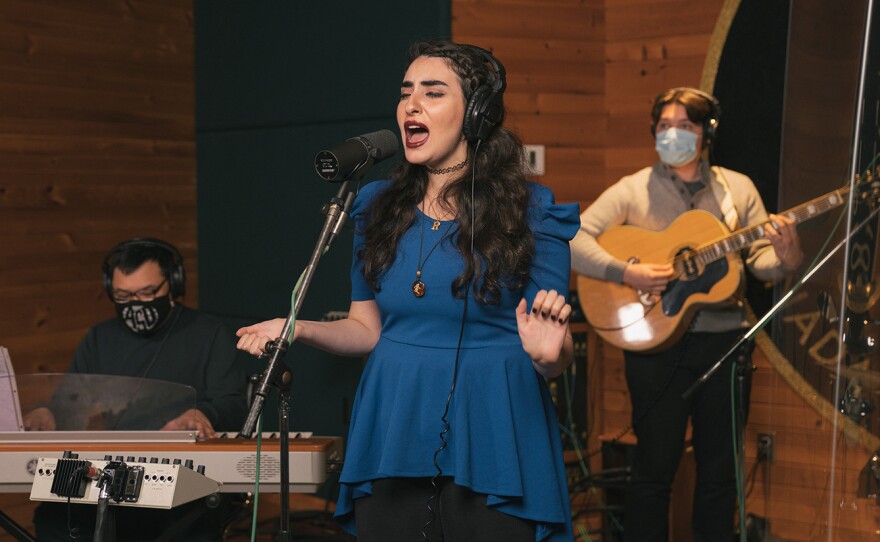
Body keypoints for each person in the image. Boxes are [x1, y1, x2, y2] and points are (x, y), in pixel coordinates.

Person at [236, 40, 579, 541]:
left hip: (495, 425)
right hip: (394, 422)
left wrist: (551, 356)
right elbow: (366, 329)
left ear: (478, 114)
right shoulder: (375, 207)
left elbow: (555, 347)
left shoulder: (532, 212)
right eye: (405, 93)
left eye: (433, 93)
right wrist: (298, 328)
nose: (411, 106)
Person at [570, 87, 803, 541]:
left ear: (706, 133)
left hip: (727, 345)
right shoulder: (632, 189)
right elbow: (575, 239)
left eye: (685, 126)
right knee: (653, 472)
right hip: (655, 350)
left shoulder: (737, 190)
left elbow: (760, 264)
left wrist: (788, 257)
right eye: (664, 127)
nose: (673, 134)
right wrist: (626, 272)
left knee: (721, 473)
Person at [26, 237, 248, 541]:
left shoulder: (209, 334)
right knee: (53, 521)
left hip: (183, 481)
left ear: (173, 283)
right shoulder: (99, 339)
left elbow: (233, 403)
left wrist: (202, 414)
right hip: (109, 481)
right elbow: (71, 402)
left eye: (147, 292)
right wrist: (49, 413)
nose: (136, 303)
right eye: (123, 295)